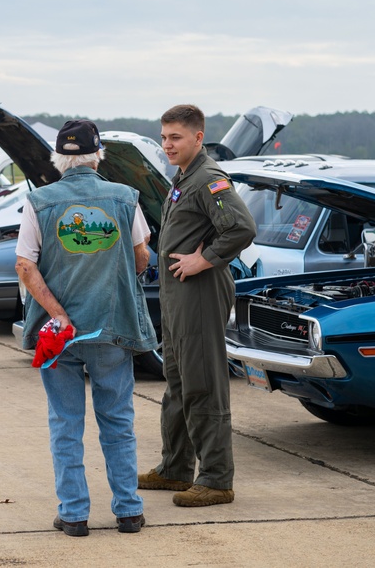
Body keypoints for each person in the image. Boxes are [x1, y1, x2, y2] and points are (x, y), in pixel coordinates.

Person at [14, 119, 155, 537]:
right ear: (99, 156)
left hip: (59, 335)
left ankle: (74, 514)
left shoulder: (38, 201)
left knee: (65, 422)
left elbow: (25, 265)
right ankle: (129, 511)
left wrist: (58, 314)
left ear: (58, 158)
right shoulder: (125, 198)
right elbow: (142, 256)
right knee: (117, 421)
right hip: (111, 328)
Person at [137, 104, 256, 507]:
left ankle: (217, 479)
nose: (168, 145)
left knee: (203, 383)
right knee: (178, 381)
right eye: (165, 137)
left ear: (198, 138)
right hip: (177, 295)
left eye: (176, 138)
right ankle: (175, 468)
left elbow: (241, 227)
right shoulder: (183, 178)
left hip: (200, 292)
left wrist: (203, 259)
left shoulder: (208, 179)